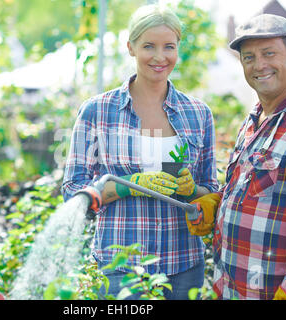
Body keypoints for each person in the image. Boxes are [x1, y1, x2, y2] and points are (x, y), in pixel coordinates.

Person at [61, 4, 218, 300]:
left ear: (177, 48)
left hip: (184, 266)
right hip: (121, 268)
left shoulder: (198, 113)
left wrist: (194, 189)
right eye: (149, 46)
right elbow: (73, 192)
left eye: (168, 47)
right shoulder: (97, 111)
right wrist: (125, 186)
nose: (160, 57)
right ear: (131, 47)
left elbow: (212, 190)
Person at [187, 14, 286, 300]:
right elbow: (258, 192)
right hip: (231, 289)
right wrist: (217, 205)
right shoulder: (257, 118)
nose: (259, 65)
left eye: (269, 53)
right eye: (249, 57)